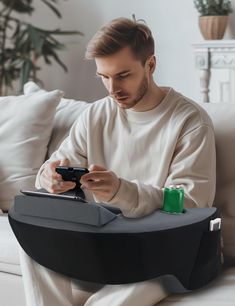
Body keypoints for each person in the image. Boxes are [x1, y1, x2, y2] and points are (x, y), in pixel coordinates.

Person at [19, 17, 216, 306]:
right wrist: (48, 177)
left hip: (164, 249)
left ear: (150, 65)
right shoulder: (95, 115)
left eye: (123, 75)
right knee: (33, 246)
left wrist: (121, 191)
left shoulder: (190, 122)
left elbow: (192, 204)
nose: (113, 88)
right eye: (104, 76)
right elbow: (56, 168)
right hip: (102, 243)